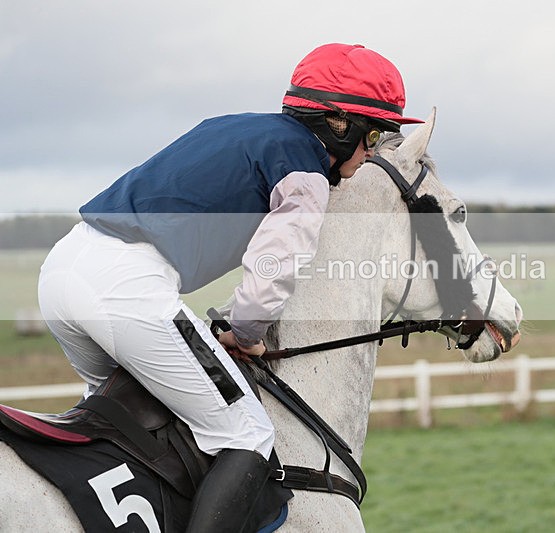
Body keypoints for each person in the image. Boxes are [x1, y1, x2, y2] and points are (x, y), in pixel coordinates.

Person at [37, 43, 422, 532]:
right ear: (339, 124)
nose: (372, 152)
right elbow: (276, 262)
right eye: (374, 135)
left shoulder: (233, 125)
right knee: (247, 435)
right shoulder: (304, 168)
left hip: (63, 270)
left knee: (132, 429)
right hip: (127, 288)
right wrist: (246, 331)